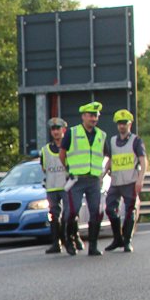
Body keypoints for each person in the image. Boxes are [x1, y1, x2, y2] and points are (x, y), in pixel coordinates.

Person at [60, 102, 107, 256]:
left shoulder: (101, 135)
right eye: (91, 116)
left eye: (96, 116)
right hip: (76, 179)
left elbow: (108, 155)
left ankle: (93, 246)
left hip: (93, 179)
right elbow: (62, 153)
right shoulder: (72, 132)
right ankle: (70, 240)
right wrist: (69, 169)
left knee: (96, 212)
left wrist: (104, 173)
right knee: (72, 211)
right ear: (84, 116)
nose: (94, 119)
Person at [102, 108, 146, 252]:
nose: (122, 126)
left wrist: (140, 180)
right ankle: (117, 238)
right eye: (119, 123)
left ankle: (127, 240)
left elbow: (143, 161)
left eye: (124, 123)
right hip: (115, 182)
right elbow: (110, 160)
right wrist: (102, 175)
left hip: (130, 182)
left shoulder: (136, 141)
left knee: (129, 211)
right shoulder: (113, 141)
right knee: (109, 208)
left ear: (130, 124)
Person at [40, 116, 70, 254]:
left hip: (66, 186)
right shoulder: (45, 150)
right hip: (52, 188)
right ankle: (55, 243)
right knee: (53, 215)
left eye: (58, 128)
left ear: (63, 129)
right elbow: (44, 168)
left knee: (68, 215)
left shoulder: (69, 148)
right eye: (53, 129)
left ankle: (70, 239)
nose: (56, 132)